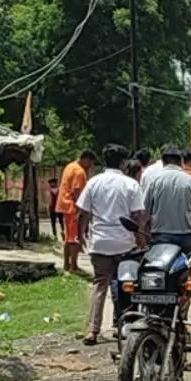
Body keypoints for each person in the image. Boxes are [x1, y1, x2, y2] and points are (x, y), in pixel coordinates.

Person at [76, 144, 145, 346]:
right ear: (124, 163)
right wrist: (141, 240)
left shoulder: (93, 182)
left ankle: (92, 330)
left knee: (100, 285)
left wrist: (81, 236)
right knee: (124, 285)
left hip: (99, 242)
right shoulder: (131, 185)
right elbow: (138, 215)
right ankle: (121, 327)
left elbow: (83, 212)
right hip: (124, 243)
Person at [143, 145, 191, 255]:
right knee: (184, 270)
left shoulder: (154, 181)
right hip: (186, 235)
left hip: (160, 235)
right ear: (181, 161)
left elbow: (145, 212)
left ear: (163, 162)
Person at [57, 149, 96, 274]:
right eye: (90, 163)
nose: (90, 166)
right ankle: (73, 266)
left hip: (64, 204)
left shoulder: (70, 166)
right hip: (72, 207)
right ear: (86, 159)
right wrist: (83, 208)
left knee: (68, 237)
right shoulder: (79, 171)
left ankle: (66, 265)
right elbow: (77, 191)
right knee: (73, 238)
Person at [47, 177, 63, 241]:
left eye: (51, 183)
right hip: (59, 208)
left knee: (54, 222)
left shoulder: (51, 191)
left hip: (54, 208)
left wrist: (49, 208)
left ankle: (55, 235)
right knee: (60, 222)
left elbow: (50, 201)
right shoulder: (60, 190)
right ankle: (62, 231)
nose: (50, 184)